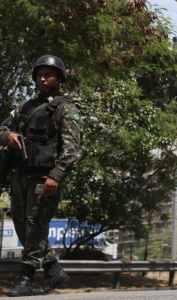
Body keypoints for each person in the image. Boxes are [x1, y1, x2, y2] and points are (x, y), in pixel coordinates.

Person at [0, 55, 81, 297]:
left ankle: (26, 278)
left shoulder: (66, 109)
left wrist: (55, 176)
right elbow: (2, 127)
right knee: (23, 227)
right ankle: (53, 268)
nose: (42, 78)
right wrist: (8, 137)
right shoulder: (26, 106)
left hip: (45, 177)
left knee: (36, 226)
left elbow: (72, 148)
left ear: (59, 79)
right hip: (21, 175)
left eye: (48, 74)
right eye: (39, 74)